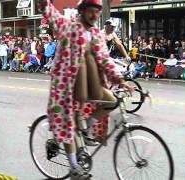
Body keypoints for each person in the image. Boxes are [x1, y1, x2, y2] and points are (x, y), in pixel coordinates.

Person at [37, 0, 134, 179]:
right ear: (81, 12)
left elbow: (105, 60)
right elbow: (48, 11)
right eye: (91, 11)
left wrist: (121, 80)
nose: (95, 15)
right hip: (66, 87)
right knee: (69, 126)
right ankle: (74, 167)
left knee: (111, 100)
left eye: (97, 12)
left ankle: (87, 129)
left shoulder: (97, 34)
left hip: (90, 83)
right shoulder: (67, 26)